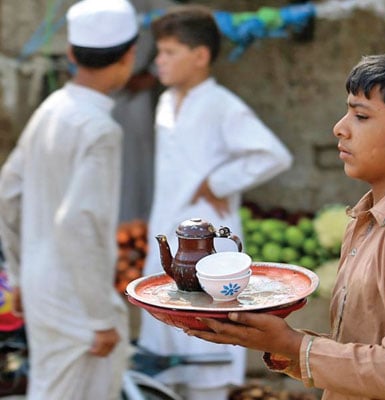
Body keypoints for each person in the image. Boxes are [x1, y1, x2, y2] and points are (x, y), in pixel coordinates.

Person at [183, 36, 385, 400]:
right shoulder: (367, 221)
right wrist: (280, 343)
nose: (340, 128)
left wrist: (295, 345)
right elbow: (362, 351)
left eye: (361, 116)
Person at [137, 5, 293, 400]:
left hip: (209, 244)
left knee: (207, 348)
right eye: (160, 51)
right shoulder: (165, 103)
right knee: (164, 359)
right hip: (168, 234)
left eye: (170, 51)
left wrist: (219, 182)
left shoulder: (222, 104)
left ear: (200, 56)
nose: (159, 60)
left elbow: (273, 154)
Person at [0, 0, 138, 399]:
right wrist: (99, 317)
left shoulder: (52, 108)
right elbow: (76, 222)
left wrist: (21, 273)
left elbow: (8, 193)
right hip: (76, 298)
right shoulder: (99, 129)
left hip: (43, 285)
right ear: (129, 56)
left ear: (73, 54)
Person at [112, 0, 174, 223]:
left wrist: (152, 74)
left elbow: (179, 27)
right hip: (104, 91)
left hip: (135, 92)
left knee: (139, 162)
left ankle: (139, 225)